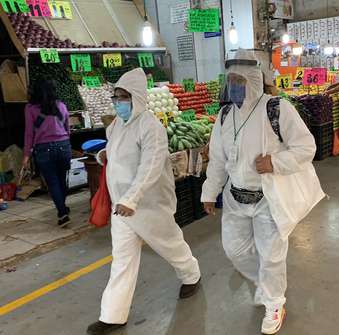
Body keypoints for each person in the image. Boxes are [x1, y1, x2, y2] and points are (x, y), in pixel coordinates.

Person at [201, 50, 321, 335]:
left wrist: (275, 162)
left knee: (271, 257)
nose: (233, 86)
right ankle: (265, 285)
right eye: (229, 80)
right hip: (235, 199)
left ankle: (274, 303)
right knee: (235, 250)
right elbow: (218, 158)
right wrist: (210, 191)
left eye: (238, 80)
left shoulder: (276, 108)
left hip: (268, 198)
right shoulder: (224, 114)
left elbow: (306, 146)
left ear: (253, 80)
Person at [87, 68, 201, 335]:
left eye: (123, 97)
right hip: (122, 208)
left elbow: (149, 166)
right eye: (115, 97)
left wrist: (132, 198)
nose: (118, 102)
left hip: (148, 205)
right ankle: (113, 315)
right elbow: (119, 151)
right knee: (122, 260)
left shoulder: (151, 127)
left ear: (136, 97)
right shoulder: (117, 124)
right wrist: (106, 154)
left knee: (170, 245)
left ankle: (191, 274)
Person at [23, 79, 71, 227]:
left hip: (43, 149)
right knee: (62, 180)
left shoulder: (30, 108)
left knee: (53, 182)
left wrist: (26, 154)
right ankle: (62, 208)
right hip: (64, 146)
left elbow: (29, 133)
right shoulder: (61, 106)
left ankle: (62, 212)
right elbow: (68, 128)